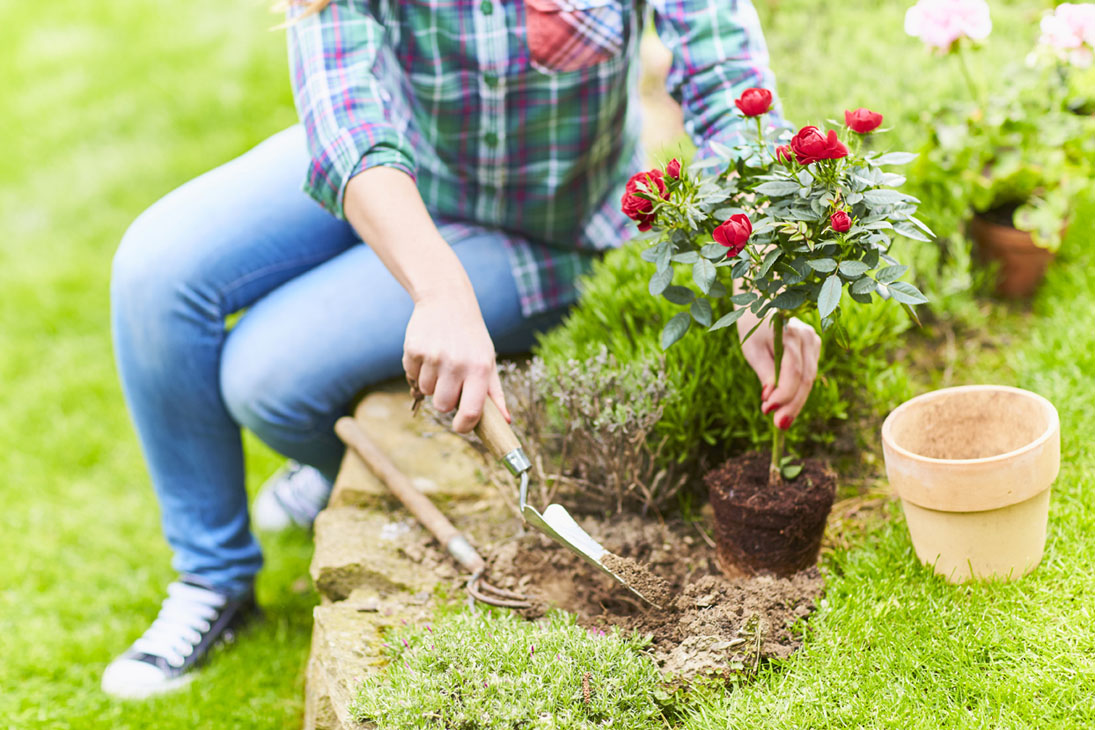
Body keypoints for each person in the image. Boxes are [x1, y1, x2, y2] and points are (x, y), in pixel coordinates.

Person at [101, 0, 821, 699]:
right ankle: (213, 579)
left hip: (539, 227)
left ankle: (319, 471)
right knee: (156, 270)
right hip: (392, 158)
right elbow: (346, 116)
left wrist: (757, 274)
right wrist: (440, 294)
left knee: (267, 378)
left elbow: (727, 84)